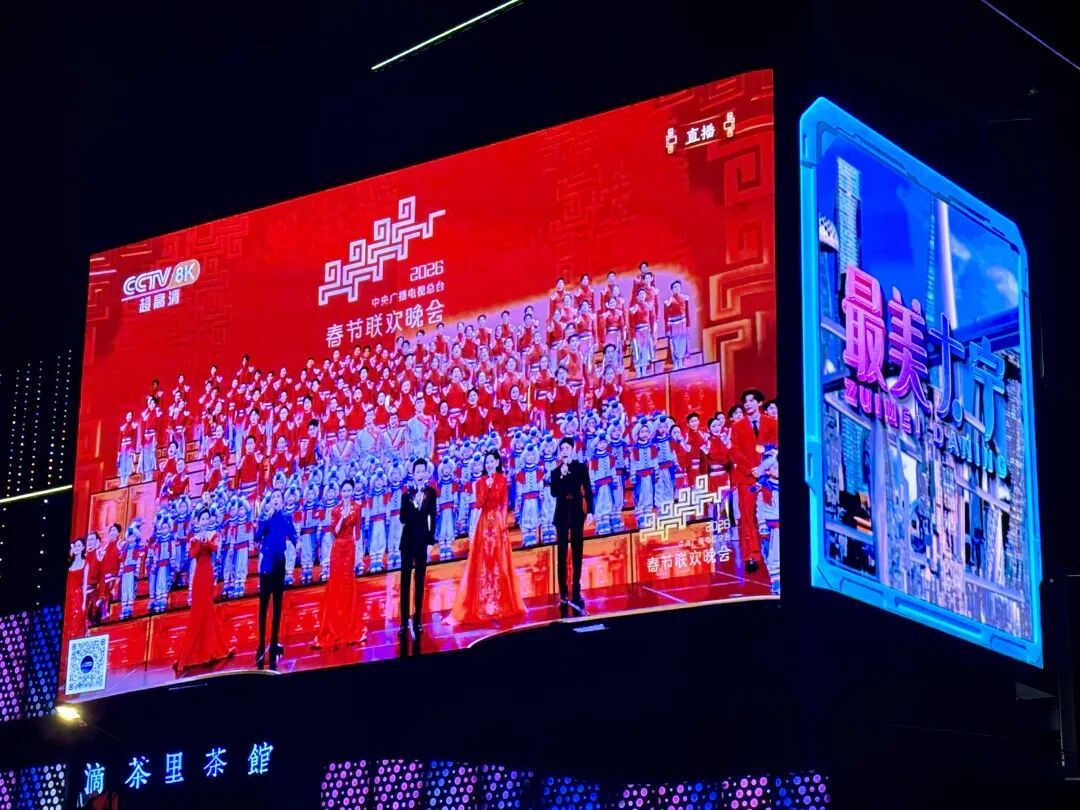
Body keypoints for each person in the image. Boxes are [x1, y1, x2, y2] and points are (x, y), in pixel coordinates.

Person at [450, 450, 526, 625]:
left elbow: (504, 503)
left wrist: (503, 525)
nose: (489, 464)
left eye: (492, 461)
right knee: (484, 562)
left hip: (498, 524)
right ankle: (483, 604)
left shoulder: (502, 479)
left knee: (499, 563)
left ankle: (501, 603)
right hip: (484, 525)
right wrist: (486, 486)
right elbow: (479, 504)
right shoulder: (480, 482)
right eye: (487, 462)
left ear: (497, 462)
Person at [174, 508, 234, 674]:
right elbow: (193, 554)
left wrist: (206, 541)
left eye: (207, 518)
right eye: (203, 519)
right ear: (198, 521)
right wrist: (200, 541)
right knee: (197, 612)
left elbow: (214, 549)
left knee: (208, 610)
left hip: (208, 573)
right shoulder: (193, 539)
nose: (205, 521)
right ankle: (189, 654)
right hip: (198, 574)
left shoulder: (213, 534)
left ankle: (212, 649)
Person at [313, 479, 366, 649]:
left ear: (352, 492)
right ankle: (333, 624)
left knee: (348, 583)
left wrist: (358, 555)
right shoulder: (335, 510)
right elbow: (334, 532)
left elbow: (358, 531)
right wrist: (342, 518)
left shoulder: (357, 507)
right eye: (344, 490)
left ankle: (349, 623)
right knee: (336, 584)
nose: (346, 493)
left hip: (350, 548)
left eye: (349, 490)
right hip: (337, 549)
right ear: (340, 493)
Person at [549, 437, 594, 615]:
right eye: (562, 449)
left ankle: (576, 588)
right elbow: (554, 492)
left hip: (576, 512)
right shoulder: (555, 472)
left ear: (573, 450)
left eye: (567, 448)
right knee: (561, 553)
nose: (565, 451)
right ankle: (563, 592)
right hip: (561, 514)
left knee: (577, 551)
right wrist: (562, 475)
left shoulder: (581, 468)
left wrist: (590, 511)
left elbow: (587, 489)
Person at [253, 489, 297, 670]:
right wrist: (266, 520)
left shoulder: (286, 517)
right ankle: (261, 646)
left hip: (280, 562)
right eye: (273, 498)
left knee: (278, 604)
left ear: (282, 500)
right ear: (270, 501)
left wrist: (297, 543)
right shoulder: (265, 518)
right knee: (264, 605)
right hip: (266, 563)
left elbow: (293, 535)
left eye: (279, 497)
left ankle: (273, 644)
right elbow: (257, 537)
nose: (276, 500)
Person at [398, 458, 437, 640]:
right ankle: (403, 622)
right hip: (407, 542)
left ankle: (417, 620)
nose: (420, 474)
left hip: (422, 542)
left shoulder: (431, 493)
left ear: (427, 473)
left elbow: (432, 517)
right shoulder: (406, 494)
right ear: (413, 474)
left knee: (420, 581)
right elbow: (402, 518)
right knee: (405, 581)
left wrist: (430, 542)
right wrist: (413, 503)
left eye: (423, 471)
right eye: (417, 472)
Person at [66, 538, 88, 638]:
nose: (76, 548)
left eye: (79, 546)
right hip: (68, 596)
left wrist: (84, 602)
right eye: (75, 546)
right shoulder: (69, 564)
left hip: (77, 596)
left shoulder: (85, 563)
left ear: (83, 547)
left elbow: (85, 583)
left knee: (76, 620)